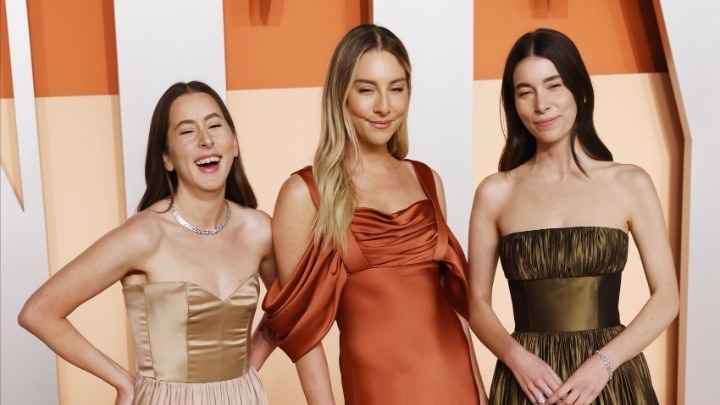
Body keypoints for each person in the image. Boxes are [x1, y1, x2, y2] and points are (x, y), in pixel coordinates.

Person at [262, 24, 488, 405]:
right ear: (341, 95)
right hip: (378, 389)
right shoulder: (305, 194)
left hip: (454, 381)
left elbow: (455, 306)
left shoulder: (426, 180)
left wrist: (480, 394)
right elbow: (301, 334)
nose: (385, 106)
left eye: (396, 88)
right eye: (367, 90)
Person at [18, 81, 276, 405]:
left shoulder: (258, 230)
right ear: (167, 158)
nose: (205, 140)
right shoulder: (145, 235)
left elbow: (291, 309)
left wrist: (249, 367)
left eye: (214, 125)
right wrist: (123, 383)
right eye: (187, 131)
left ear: (234, 143)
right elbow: (39, 312)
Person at [467, 28, 679, 405]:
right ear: (513, 104)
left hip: (611, 378)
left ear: (579, 89)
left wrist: (604, 364)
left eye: (554, 85)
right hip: (529, 382)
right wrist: (517, 359)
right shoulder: (496, 193)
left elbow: (667, 297)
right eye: (525, 92)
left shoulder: (629, 183)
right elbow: (477, 302)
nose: (541, 104)